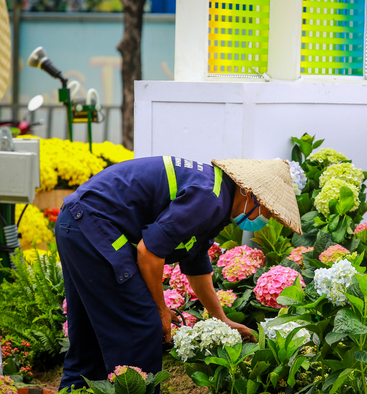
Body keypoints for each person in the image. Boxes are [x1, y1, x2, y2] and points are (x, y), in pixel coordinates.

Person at [56, 157, 302, 390]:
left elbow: (196, 265)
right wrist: (160, 309)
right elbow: (148, 252)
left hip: (78, 223)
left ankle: (75, 389)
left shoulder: (217, 194)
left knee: (86, 336)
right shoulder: (210, 199)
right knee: (142, 326)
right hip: (91, 225)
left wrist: (221, 318)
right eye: (267, 213)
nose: (265, 220)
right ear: (250, 193)